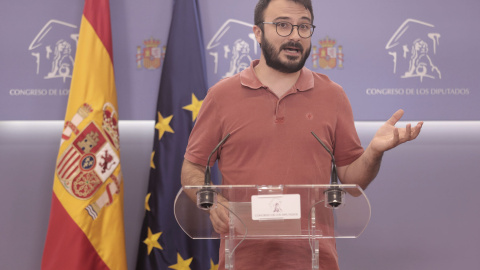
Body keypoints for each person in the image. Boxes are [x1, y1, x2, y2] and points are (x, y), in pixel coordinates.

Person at [181, 0, 423, 269]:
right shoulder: (221, 97)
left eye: (304, 27)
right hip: (243, 260)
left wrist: (374, 152)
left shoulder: (333, 96)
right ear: (258, 32)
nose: (295, 35)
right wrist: (213, 202)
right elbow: (192, 168)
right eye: (283, 25)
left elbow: (353, 181)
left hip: (315, 261)